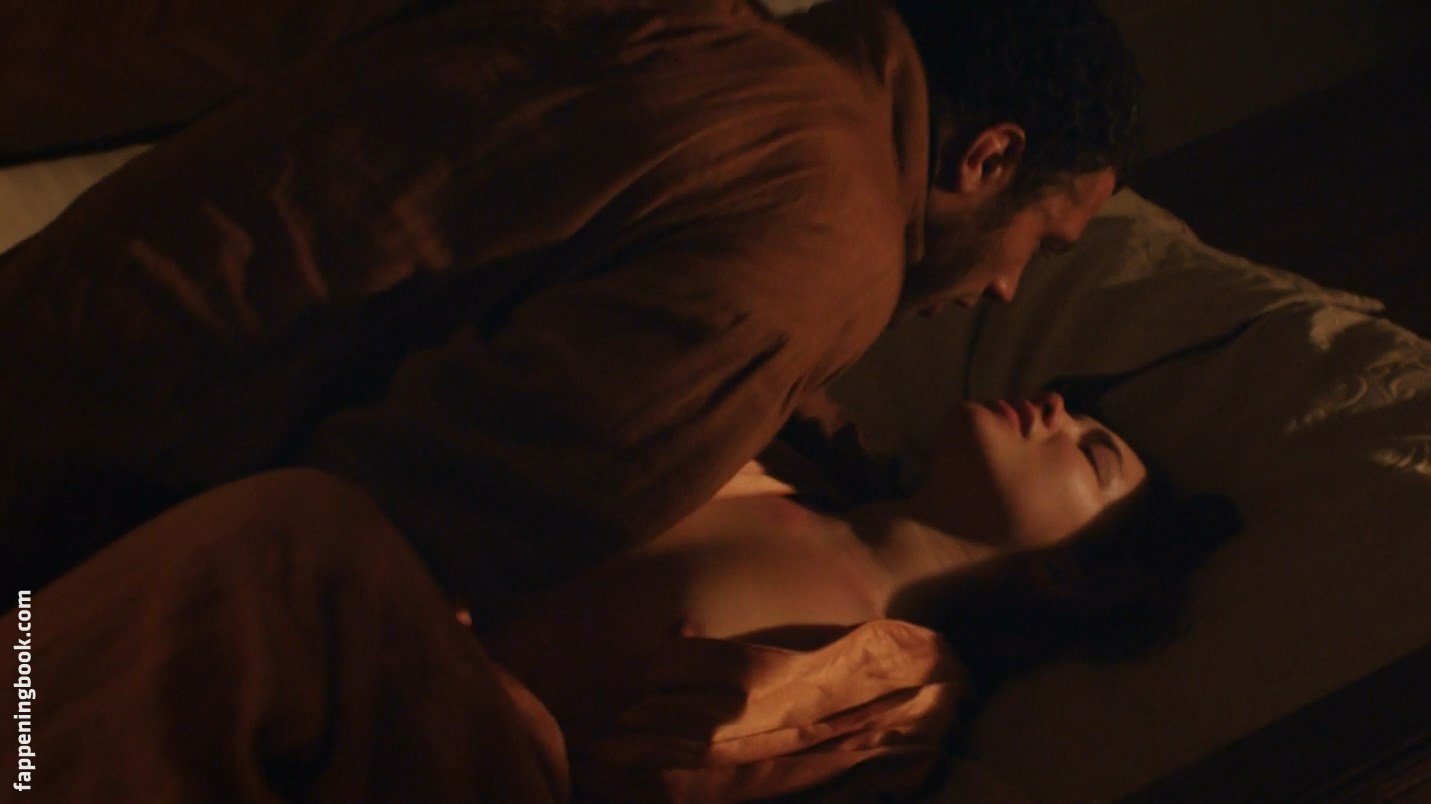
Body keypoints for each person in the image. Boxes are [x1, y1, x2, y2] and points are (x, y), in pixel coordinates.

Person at [0, 0, 1145, 617]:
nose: (1005, 288)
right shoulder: (827, 242)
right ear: (988, 159)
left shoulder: (706, 37)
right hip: (68, 527)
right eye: (1040, 244)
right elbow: (411, 532)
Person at [14, 394, 1237, 800]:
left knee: (294, 539)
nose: (1056, 410)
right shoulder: (762, 457)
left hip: (499, 767)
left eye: (1091, 451)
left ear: (1067, 572)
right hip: (394, 656)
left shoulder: (903, 683)